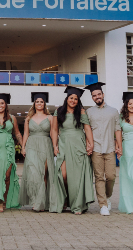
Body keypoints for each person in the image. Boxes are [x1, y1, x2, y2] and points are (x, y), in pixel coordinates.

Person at [50, 86, 95, 214]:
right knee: (63, 175)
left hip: (78, 145)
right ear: (67, 99)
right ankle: (64, 199)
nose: (73, 100)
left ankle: (77, 205)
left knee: (77, 178)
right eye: (71, 98)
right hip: (64, 144)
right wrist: (55, 145)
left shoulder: (81, 111)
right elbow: (54, 130)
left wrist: (90, 144)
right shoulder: (59, 111)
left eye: (76, 99)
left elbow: (87, 128)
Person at [84, 82, 121, 216]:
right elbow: (86, 130)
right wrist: (89, 144)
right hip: (96, 149)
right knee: (99, 177)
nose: (97, 97)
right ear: (92, 98)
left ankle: (107, 196)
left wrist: (119, 147)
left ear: (103, 95)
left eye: (99, 94)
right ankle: (103, 205)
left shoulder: (113, 111)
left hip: (110, 148)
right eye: (94, 95)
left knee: (111, 176)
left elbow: (117, 129)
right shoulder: (89, 112)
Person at [19, 92, 58, 212]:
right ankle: (35, 200)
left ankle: (42, 201)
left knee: (43, 174)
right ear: (34, 104)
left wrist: (55, 146)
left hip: (45, 145)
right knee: (33, 174)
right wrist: (23, 147)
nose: (39, 103)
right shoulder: (29, 118)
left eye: (41, 101)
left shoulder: (50, 118)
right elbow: (26, 133)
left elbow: (53, 132)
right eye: (37, 101)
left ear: (44, 104)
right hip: (31, 145)